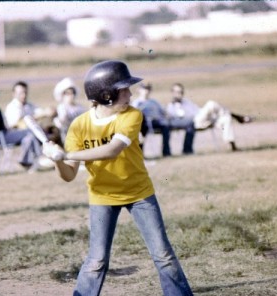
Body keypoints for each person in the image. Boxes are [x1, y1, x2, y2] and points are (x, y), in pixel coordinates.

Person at [43, 60, 193, 296]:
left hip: (139, 193)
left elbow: (112, 149)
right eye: (124, 89)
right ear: (107, 95)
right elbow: (69, 174)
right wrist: (57, 160)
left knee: (163, 254)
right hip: (102, 196)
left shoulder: (132, 115)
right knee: (97, 260)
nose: (130, 94)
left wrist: (67, 153)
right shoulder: (79, 126)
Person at [167, 83, 253, 153]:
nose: (180, 94)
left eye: (181, 92)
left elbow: (198, 110)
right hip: (195, 122)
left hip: (204, 118)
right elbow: (179, 120)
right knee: (211, 104)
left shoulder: (186, 101)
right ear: (173, 93)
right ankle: (238, 117)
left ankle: (233, 147)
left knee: (226, 118)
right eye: (177, 92)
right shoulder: (171, 106)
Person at [131, 82, 171, 157]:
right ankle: (140, 154)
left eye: (148, 89)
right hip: (143, 124)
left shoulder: (154, 102)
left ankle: (166, 152)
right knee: (141, 131)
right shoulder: (136, 103)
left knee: (166, 126)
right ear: (139, 90)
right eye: (144, 88)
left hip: (155, 122)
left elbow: (163, 112)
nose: (146, 91)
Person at [53, 77, 86, 142]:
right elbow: (62, 120)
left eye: (72, 93)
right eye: (68, 93)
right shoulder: (62, 107)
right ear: (63, 95)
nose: (71, 96)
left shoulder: (80, 108)